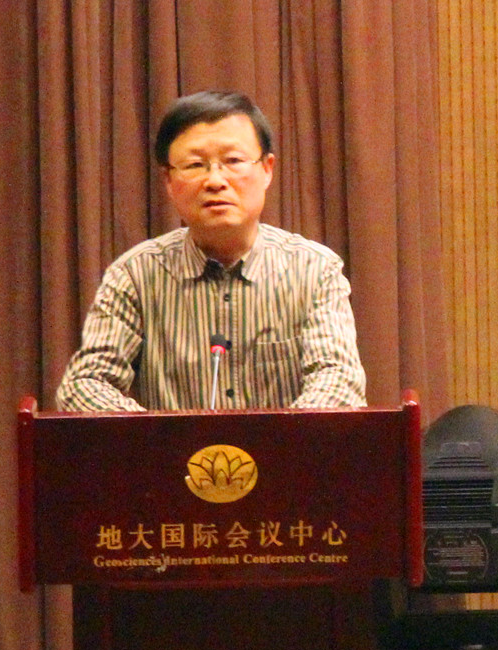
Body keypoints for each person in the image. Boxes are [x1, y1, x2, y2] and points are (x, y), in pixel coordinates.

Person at [56, 90, 366, 412]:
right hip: (169, 447)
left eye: (233, 161)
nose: (215, 181)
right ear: (168, 180)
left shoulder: (314, 270)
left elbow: (339, 380)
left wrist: (275, 438)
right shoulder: (135, 275)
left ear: (267, 169)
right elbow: (85, 384)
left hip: (286, 446)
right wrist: (164, 434)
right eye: (195, 165)